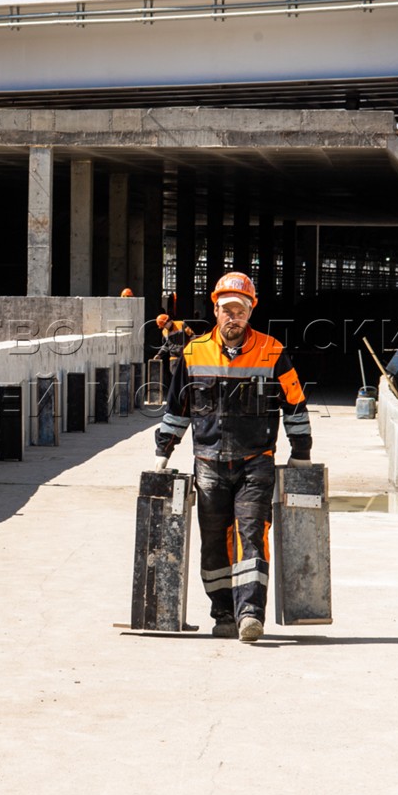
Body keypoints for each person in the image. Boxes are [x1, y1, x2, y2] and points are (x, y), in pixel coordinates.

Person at [153, 271, 312, 644]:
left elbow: (294, 403)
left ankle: (249, 614)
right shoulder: (193, 353)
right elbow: (178, 406)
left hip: (255, 460)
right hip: (208, 462)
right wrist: (164, 449)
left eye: (240, 310)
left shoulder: (272, 351)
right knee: (213, 541)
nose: (233, 318)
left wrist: (301, 451)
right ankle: (222, 611)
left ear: (250, 311)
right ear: (216, 311)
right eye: (227, 310)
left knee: (252, 535)